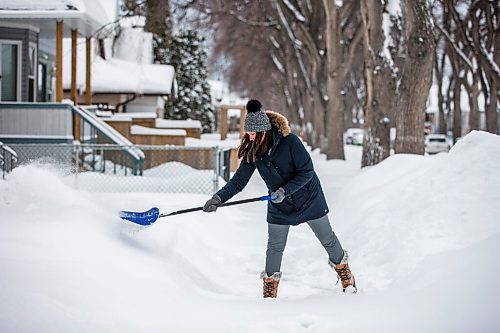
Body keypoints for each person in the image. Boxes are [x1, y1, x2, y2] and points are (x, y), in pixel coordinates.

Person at [203, 99, 356, 298]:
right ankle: (270, 288)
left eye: (253, 132)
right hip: (279, 203)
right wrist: (218, 198)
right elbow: (239, 181)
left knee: (327, 238)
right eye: (247, 132)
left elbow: (307, 171)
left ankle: (345, 274)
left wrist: (284, 190)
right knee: (275, 246)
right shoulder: (253, 151)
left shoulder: (290, 141)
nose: (249, 135)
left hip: (309, 197)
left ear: (264, 131)